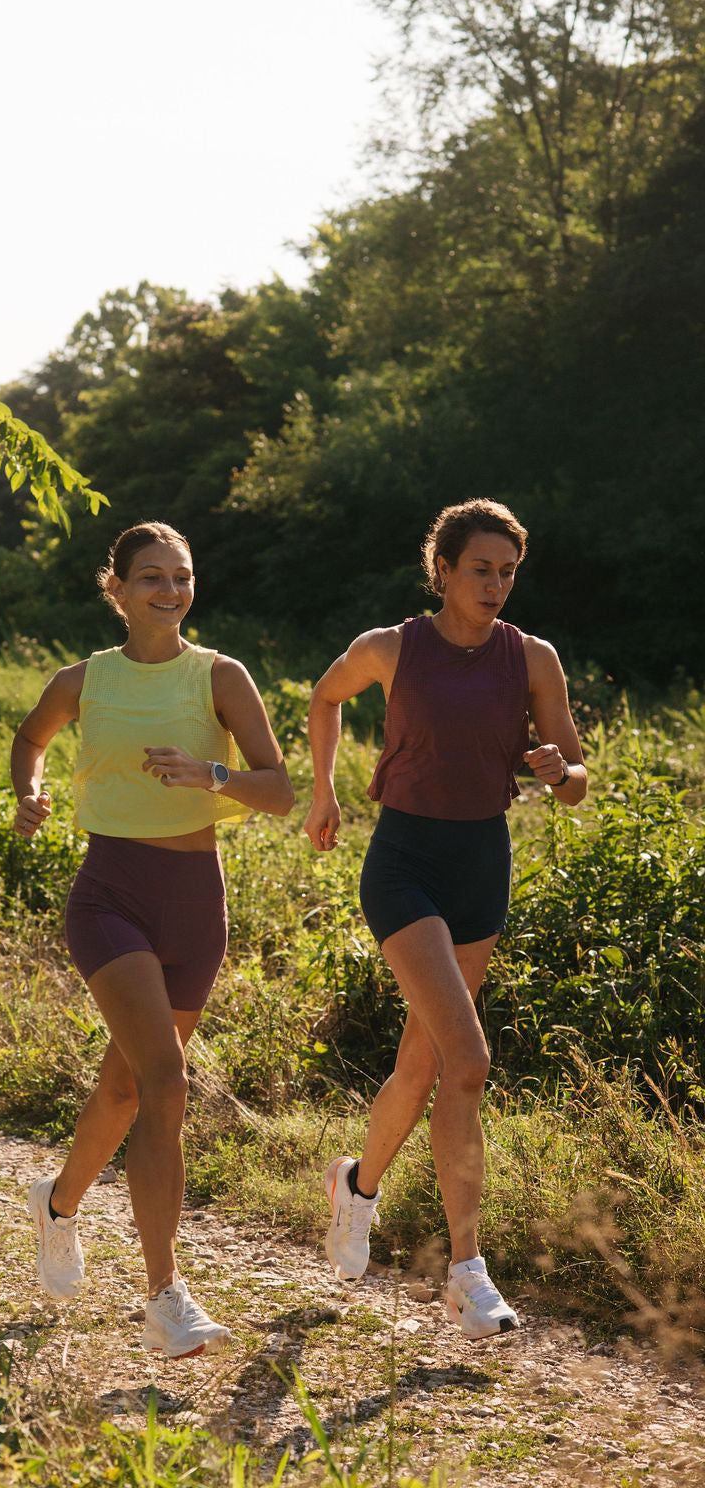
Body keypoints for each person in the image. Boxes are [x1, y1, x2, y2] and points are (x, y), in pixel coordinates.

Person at [303, 499, 587, 1340]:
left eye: (507, 572)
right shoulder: (393, 647)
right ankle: (468, 1272)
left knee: (425, 1063)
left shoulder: (532, 658)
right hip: (404, 866)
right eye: (480, 569)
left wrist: (554, 767)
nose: (496, 585)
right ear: (444, 570)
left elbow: (576, 779)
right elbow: (324, 699)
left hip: (480, 868)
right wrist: (323, 790)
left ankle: (354, 1188)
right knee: (470, 1060)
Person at [12, 521, 294, 1358]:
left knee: (131, 1089)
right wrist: (30, 791)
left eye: (182, 576)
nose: (169, 591)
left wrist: (208, 775)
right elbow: (32, 739)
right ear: (119, 590)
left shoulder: (221, 677)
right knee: (167, 1081)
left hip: (195, 904)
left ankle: (58, 1204)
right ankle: (166, 1295)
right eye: (150, 578)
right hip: (111, 895)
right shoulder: (82, 680)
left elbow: (278, 791)